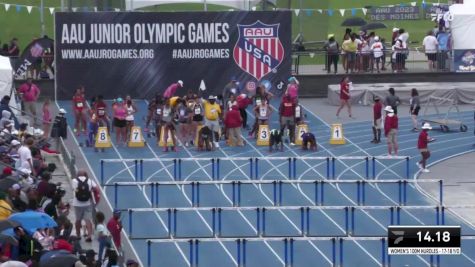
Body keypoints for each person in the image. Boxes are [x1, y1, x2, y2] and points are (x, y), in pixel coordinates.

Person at [72, 170, 98, 243]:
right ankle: (89, 236)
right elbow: (96, 189)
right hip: (87, 203)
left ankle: (78, 235)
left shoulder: (74, 180)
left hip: (77, 203)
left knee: (78, 219)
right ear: (85, 174)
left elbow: (75, 189)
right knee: (88, 220)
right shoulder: (90, 181)